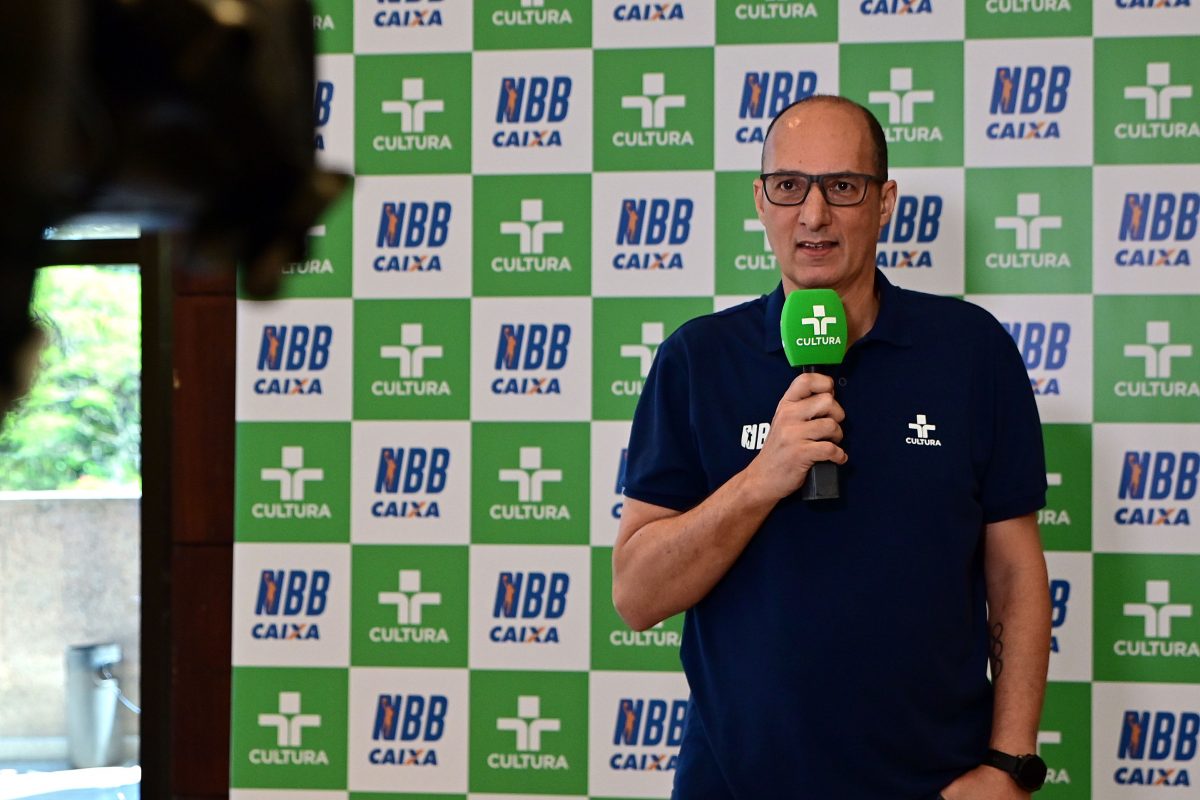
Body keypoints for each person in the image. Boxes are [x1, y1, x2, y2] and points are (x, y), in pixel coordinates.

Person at [613, 95, 1051, 799]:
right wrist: (763, 477)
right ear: (760, 201)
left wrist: (1010, 764)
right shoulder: (697, 360)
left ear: (884, 203)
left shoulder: (972, 352)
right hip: (736, 783)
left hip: (934, 782)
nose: (813, 214)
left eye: (843, 186)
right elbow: (637, 596)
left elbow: (1015, 572)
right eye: (789, 186)